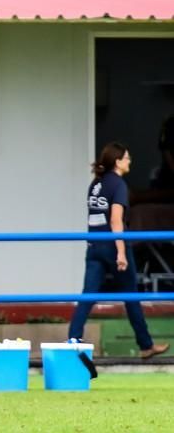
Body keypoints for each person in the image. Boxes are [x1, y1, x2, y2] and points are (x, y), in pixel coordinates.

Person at [68, 142, 170, 359]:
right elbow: (116, 221)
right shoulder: (119, 185)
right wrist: (121, 252)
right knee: (131, 295)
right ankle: (145, 345)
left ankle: (73, 339)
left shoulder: (96, 184)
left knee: (88, 295)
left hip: (94, 244)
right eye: (127, 158)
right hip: (113, 246)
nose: (130, 161)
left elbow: (96, 216)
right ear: (118, 161)